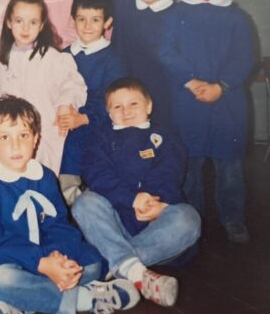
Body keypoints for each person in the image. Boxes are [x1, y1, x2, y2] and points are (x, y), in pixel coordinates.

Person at [0, 95, 140, 314]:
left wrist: (59, 259)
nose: (15, 145)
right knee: (3, 279)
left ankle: (21, 301)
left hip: (41, 253)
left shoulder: (45, 177)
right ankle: (85, 299)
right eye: (4, 137)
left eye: (23, 135)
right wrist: (41, 263)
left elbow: (58, 225)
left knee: (91, 264)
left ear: (35, 139)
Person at [72, 78, 201, 307]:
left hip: (157, 227)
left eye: (134, 104)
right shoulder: (100, 137)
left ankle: (118, 266)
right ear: (109, 112)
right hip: (116, 223)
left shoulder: (165, 134)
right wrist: (132, 198)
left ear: (148, 106)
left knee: (188, 218)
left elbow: (171, 169)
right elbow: (97, 174)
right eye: (117, 106)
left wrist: (156, 201)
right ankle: (134, 272)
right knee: (85, 202)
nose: (126, 111)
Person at [159, 0, 255, 244]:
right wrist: (191, 82)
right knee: (190, 165)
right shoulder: (176, 13)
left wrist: (220, 86)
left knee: (229, 167)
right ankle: (192, 220)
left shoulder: (237, 17)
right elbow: (166, 51)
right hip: (189, 102)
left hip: (228, 104)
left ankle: (233, 217)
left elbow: (245, 58)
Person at [0, 0, 87, 174]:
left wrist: (65, 105)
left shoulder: (53, 58)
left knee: (39, 175)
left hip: (44, 131)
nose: (25, 28)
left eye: (33, 22)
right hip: (11, 132)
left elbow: (72, 84)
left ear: (41, 26)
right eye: (19, 21)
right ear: (9, 22)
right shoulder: (0, 59)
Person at [59, 0, 125, 204]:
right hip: (66, 131)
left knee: (98, 183)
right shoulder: (63, 55)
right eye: (81, 19)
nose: (87, 26)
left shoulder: (113, 59)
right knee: (65, 184)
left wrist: (84, 118)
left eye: (95, 19)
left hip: (97, 128)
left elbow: (112, 100)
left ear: (107, 23)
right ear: (73, 20)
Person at [96, 0, 175, 126]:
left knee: (159, 130)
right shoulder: (124, 4)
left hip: (160, 87)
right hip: (124, 80)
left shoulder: (175, 13)